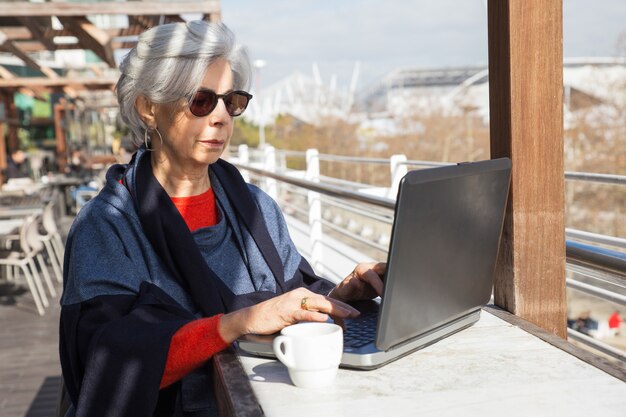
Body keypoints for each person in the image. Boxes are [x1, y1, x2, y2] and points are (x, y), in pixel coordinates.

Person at [59, 21, 385, 417]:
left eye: (231, 102)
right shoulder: (106, 228)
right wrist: (235, 324)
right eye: (201, 100)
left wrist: (338, 299)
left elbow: (287, 305)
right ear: (149, 108)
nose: (221, 117)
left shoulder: (257, 208)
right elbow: (106, 366)